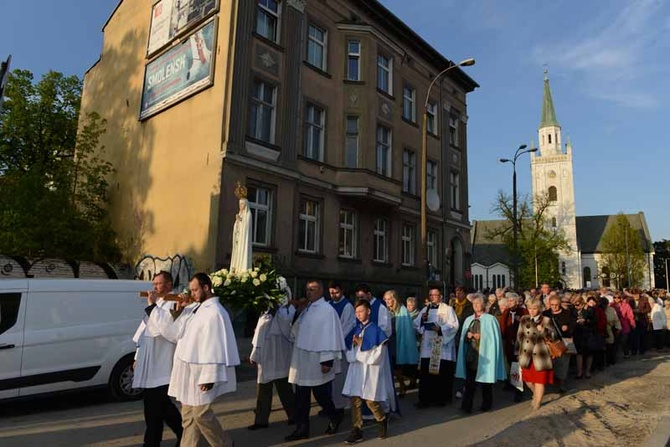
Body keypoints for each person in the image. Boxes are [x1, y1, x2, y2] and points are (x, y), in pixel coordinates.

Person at [147, 273, 240, 447]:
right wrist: (180, 310)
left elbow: (215, 345)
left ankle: (225, 444)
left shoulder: (215, 312)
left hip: (201, 373)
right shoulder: (195, 308)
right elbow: (174, 333)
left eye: (195, 289)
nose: (192, 293)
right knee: (188, 417)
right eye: (191, 290)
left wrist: (209, 376)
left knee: (201, 414)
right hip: (187, 372)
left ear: (206, 288)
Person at [285, 280, 345, 441]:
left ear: (321, 290)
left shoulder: (327, 311)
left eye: (312, 289)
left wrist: (327, 361)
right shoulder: (308, 308)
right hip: (303, 359)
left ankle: (334, 416)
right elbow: (297, 329)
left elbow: (329, 336)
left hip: (317, 361)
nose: (308, 292)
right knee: (301, 396)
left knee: (321, 395)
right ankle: (302, 428)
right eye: (307, 289)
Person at [132, 271, 183, 447]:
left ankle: (154, 441)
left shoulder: (174, 303)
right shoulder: (156, 303)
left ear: (169, 285)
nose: (154, 287)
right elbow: (143, 332)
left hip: (162, 364)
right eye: (154, 284)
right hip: (149, 363)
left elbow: (168, 330)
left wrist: (153, 307)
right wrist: (138, 356)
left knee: (158, 407)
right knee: (157, 407)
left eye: (158, 284)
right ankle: (182, 434)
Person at [342, 300, 395, 444]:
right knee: (356, 401)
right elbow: (349, 352)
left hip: (370, 370)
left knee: (371, 401)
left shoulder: (377, 331)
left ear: (369, 311)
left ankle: (382, 419)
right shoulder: (356, 330)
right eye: (356, 312)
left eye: (361, 311)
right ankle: (357, 429)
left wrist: (361, 345)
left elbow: (378, 355)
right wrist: (354, 350)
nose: (358, 315)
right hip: (356, 369)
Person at [247, 299, 296, 430]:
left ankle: (294, 416)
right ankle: (261, 420)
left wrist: (279, 312)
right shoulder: (264, 314)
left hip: (280, 353)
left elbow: (288, 329)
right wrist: (255, 353)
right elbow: (258, 334)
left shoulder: (287, 310)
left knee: (285, 388)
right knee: (263, 389)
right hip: (266, 355)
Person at [455, 294, 506, 413]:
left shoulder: (490, 319)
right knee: (469, 382)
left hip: (485, 355)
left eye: (478, 304)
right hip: (471, 355)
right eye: (474, 304)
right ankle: (466, 406)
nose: (476, 306)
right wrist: (468, 336)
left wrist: (482, 337)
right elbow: (463, 338)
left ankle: (486, 404)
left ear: (483, 305)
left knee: (485, 383)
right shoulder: (469, 319)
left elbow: (494, 339)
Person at [414, 287, 459, 408]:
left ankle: (441, 399)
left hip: (441, 345)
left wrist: (441, 329)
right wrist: (422, 321)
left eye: (435, 295)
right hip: (428, 347)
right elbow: (416, 324)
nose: (433, 297)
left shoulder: (448, 309)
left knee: (441, 373)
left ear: (440, 296)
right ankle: (425, 399)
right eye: (431, 295)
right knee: (426, 374)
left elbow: (454, 325)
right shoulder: (425, 309)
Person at [517, 297, 557, 410]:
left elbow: (553, 337)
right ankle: (536, 394)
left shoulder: (546, 320)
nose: (532, 311)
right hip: (526, 353)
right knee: (528, 380)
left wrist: (543, 331)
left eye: (534, 308)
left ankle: (538, 402)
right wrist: (518, 352)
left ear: (539, 309)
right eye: (530, 308)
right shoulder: (524, 319)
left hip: (540, 354)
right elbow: (519, 336)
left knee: (540, 380)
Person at [383, 290, 419, 397]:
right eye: (386, 299)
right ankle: (397, 387)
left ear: (394, 299)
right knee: (391, 367)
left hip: (398, 341)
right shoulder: (385, 310)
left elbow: (407, 329)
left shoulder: (402, 310)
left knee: (396, 367)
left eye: (389, 299)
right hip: (388, 341)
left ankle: (402, 387)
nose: (388, 301)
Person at [328, 281, 356, 411]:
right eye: (331, 293)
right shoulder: (328, 305)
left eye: (336, 292)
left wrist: (335, 342)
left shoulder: (347, 306)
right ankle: (335, 402)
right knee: (332, 378)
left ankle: (345, 403)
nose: (334, 295)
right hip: (330, 346)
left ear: (342, 291)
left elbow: (346, 327)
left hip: (342, 346)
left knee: (343, 376)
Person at [498, 292, 528, 401]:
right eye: (508, 301)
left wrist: (522, 321)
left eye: (511, 301)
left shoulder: (523, 311)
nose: (509, 303)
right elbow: (503, 326)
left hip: (520, 342)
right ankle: (512, 383)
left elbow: (528, 325)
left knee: (517, 366)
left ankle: (518, 390)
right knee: (511, 364)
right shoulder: (506, 312)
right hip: (509, 343)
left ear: (516, 301)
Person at [543, 294, 575, 393]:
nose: (554, 307)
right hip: (550, 342)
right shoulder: (546, 314)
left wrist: (568, 328)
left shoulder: (567, 313)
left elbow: (573, 326)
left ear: (560, 304)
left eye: (556, 304)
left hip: (565, 341)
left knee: (563, 364)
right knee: (551, 363)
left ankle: (561, 384)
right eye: (552, 305)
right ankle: (551, 382)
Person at [230, 182, 252, 274]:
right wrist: (237, 223)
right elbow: (236, 229)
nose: (240, 206)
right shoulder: (240, 215)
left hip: (243, 242)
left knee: (242, 254)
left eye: (242, 204)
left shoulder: (248, 215)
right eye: (240, 205)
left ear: (246, 205)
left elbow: (246, 228)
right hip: (238, 242)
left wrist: (241, 221)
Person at [612, 293, 635, 358]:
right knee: (615, 341)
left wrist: (632, 323)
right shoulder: (611, 305)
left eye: (618, 297)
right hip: (614, 325)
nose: (616, 299)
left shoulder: (626, 305)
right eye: (615, 297)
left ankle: (626, 353)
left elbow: (630, 315)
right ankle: (614, 355)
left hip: (624, 324)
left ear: (621, 298)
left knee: (624, 340)